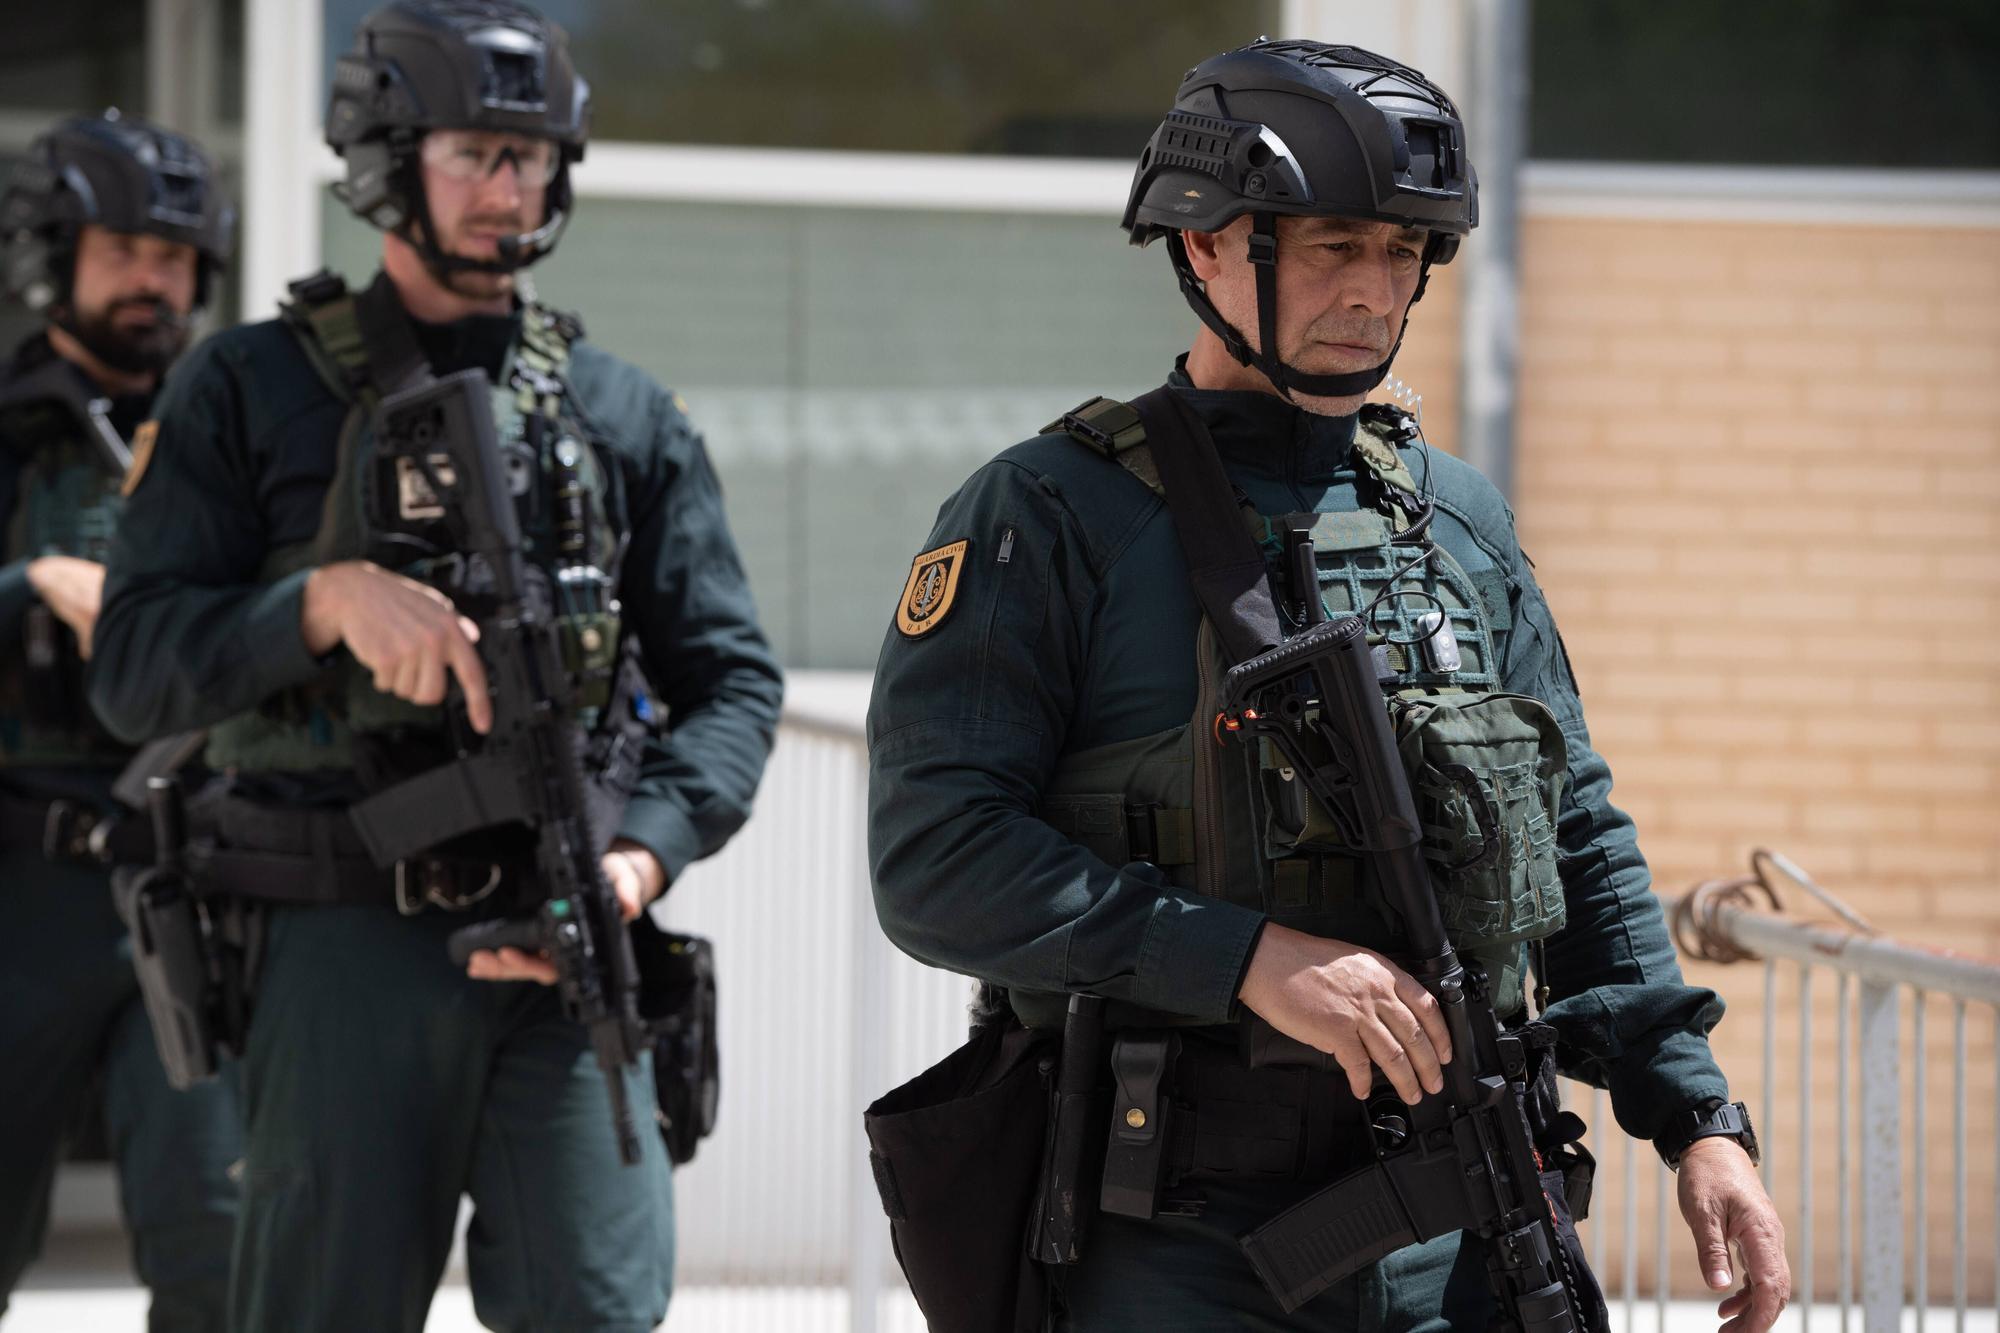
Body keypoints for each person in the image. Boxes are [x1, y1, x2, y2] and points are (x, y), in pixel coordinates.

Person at [868, 39, 1788, 1332]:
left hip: (1466, 1223)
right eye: (1333, 245)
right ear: (1204, 248)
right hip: (1175, 1242)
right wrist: (1245, 958)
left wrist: (1699, 1116)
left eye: (1402, 253)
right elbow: (934, 858)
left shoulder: (1457, 525)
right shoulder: (1048, 518)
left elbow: (1573, 831)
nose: (1372, 289)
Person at [88, 3, 782, 1329]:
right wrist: (319, 605)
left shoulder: (620, 412)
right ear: (385, 163)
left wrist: (638, 857)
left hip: (570, 934)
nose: (506, 189)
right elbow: (130, 668)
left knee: (599, 1301)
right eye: (473, 154)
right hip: (342, 941)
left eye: (530, 159)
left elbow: (732, 681)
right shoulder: (246, 388)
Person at [0, 109, 240, 1333]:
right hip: (21, 886)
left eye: (175, 257)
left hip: (186, 875)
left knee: (220, 1233)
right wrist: (28, 584)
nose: (155, 279)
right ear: (56, 254)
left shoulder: (232, 432)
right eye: (126, 251)